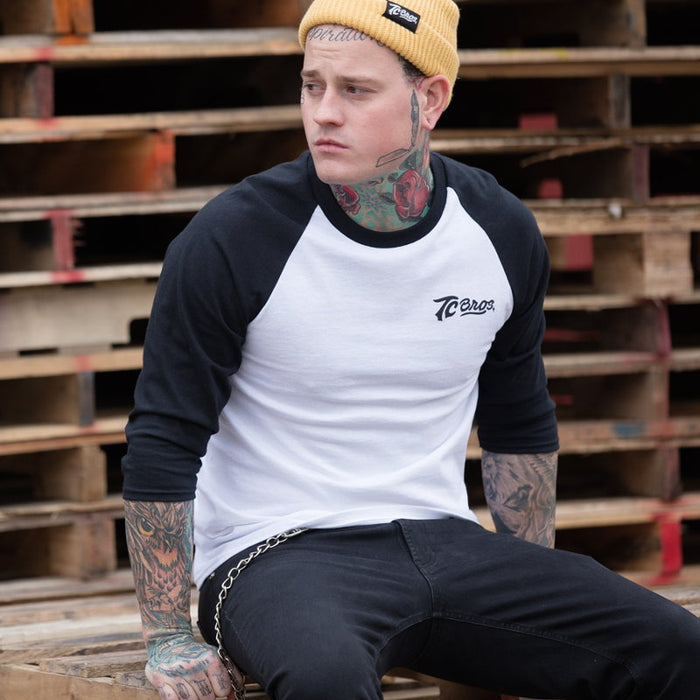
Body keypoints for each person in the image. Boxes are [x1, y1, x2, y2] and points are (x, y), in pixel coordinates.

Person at [121, 1, 700, 698]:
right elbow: (164, 440)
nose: (323, 113)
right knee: (324, 679)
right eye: (312, 86)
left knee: (678, 648)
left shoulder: (499, 230)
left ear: (430, 99)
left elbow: (519, 424)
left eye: (355, 91)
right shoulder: (234, 239)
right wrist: (168, 634)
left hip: (447, 543)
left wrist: (524, 605)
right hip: (274, 555)